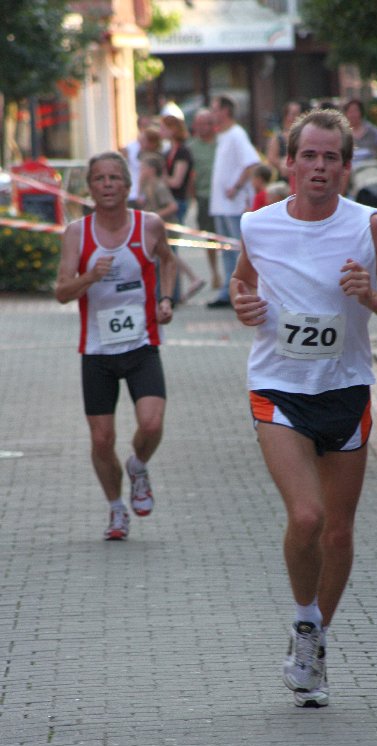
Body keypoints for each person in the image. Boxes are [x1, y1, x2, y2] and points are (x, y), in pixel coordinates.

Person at [230, 109, 377, 707]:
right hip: (278, 387)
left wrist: (372, 297)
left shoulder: (368, 226)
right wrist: (243, 304)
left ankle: (313, 639)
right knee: (308, 517)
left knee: (338, 533)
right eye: (309, 156)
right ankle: (304, 617)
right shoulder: (258, 225)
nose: (319, 167)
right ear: (289, 162)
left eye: (331, 157)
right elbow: (243, 283)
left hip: (344, 390)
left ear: (345, 166)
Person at [55, 151, 177, 542]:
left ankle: (138, 465)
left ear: (127, 185)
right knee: (101, 439)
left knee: (152, 424)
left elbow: (168, 261)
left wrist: (166, 299)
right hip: (97, 351)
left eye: (114, 178)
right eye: (99, 178)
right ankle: (116, 509)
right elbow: (61, 292)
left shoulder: (149, 225)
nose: (107, 184)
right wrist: (89, 276)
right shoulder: (77, 233)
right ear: (90, 188)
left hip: (141, 344)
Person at [207, 94, 260, 308]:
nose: (212, 114)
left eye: (215, 109)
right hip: (221, 205)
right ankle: (228, 291)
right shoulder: (223, 135)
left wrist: (236, 187)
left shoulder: (237, 134)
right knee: (226, 250)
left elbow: (251, 163)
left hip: (233, 204)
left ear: (225, 111)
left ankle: (242, 290)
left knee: (237, 249)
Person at [160, 114, 205, 303]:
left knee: (168, 247)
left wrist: (160, 178)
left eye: (164, 127)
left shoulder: (182, 152)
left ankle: (189, 280)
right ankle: (176, 291)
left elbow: (177, 181)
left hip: (177, 201)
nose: (161, 131)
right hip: (171, 199)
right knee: (168, 247)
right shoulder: (169, 150)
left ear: (173, 129)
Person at [187, 108, 222, 289]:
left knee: (228, 236)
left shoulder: (221, 142)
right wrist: (192, 197)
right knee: (209, 237)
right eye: (198, 124)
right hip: (204, 196)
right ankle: (215, 272)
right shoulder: (191, 147)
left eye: (205, 123)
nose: (202, 127)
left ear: (212, 124)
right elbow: (190, 175)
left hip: (223, 197)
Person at [266, 100, 302, 184]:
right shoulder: (278, 137)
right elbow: (271, 158)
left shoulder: (304, 135)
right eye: (293, 114)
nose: (297, 117)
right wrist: (283, 163)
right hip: (283, 180)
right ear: (286, 116)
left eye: (299, 113)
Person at [343, 98, 377, 164]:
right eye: (350, 111)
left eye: (355, 111)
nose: (353, 114)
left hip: (370, 168)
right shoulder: (343, 133)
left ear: (361, 112)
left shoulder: (371, 130)